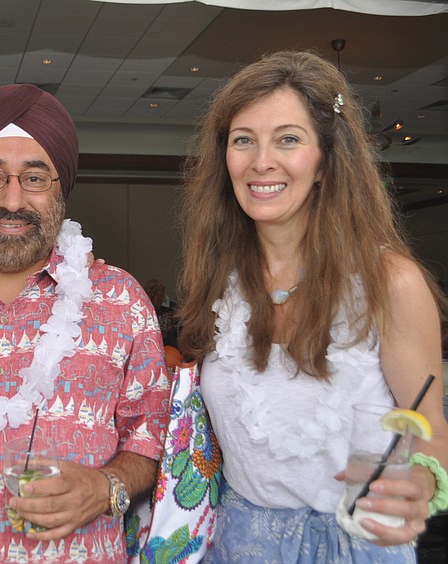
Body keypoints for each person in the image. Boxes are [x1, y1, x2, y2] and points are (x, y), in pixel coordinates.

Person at [177, 50, 448, 562]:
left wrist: (423, 484)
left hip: (357, 544)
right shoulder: (217, 284)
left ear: (325, 161)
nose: (261, 161)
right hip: (235, 546)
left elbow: (429, 424)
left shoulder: (390, 283)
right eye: (243, 140)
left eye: (288, 139)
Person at [0, 83, 169, 562]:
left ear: (60, 190)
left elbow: (152, 438)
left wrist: (106, 486)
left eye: (34, 179)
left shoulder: (119, 298)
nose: (12, 201)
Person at [143, 278, 180, 349]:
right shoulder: (142, 309)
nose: (154, 293)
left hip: (168, 347)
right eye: (151, 289)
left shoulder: (172, 308)